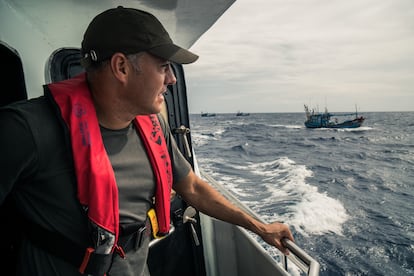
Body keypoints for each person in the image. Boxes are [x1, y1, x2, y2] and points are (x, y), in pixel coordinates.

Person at [0, 6, 294, 276]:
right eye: (164, 66)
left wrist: (259, 227)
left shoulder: (153, 127)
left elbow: (191, 186)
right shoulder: (25, 128)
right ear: (122, 68)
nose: (172, 80)